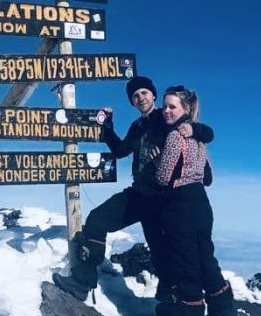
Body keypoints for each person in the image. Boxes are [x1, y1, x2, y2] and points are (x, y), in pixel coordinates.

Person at [52, 75, 215, 301]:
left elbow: (205, 132)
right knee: (98, 219)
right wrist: (107, 127)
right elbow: (120, 151)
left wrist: (195, 130)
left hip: (164, 201)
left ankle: (168, 311)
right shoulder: (137, 126)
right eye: (135, 95)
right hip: (139, 196)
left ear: (154, 95)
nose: (140, 98)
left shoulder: (167, 116)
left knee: (162, 256)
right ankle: (82, 281)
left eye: (144, 93)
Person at [153, 85, 236, 316]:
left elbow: (163, 177)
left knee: (186, 268)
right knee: (206, 260)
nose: (166, 111)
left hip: (180, 206)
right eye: (165, 106)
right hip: (201, 203)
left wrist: (157, 161)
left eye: (172, 106)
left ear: (185, 109)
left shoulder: (175, 137)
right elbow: (209, 177)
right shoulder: (198, 139)